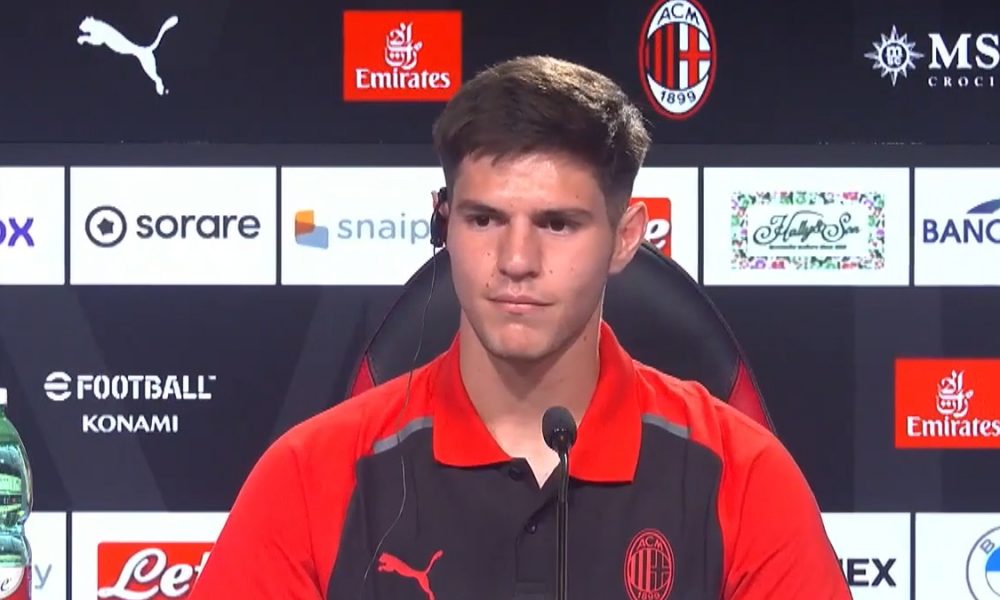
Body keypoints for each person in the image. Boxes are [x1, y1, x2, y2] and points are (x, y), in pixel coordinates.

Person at [189, 55, 851, 599]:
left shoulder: (745, 477)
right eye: (484, 220)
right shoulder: (311, 476)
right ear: (443, 225)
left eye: (557, 224)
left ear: (625, 238)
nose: (515, 261)